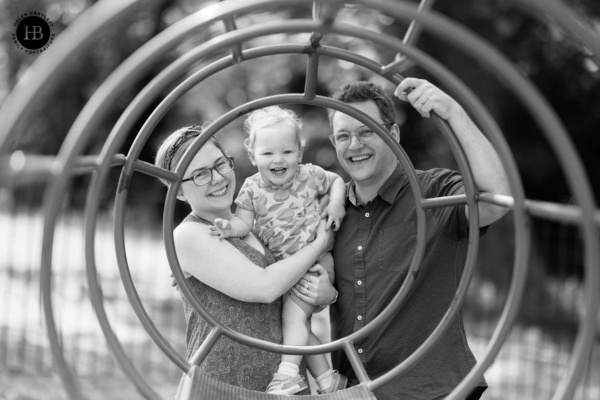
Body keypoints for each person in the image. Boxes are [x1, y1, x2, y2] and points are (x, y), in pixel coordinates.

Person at [291, 78, 511, 400]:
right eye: (343, 136)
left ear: (393, 134)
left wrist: (453, 112)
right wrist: (330, 295)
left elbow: (498, 198)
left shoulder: (433, 193)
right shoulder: (329, 214)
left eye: (366, 131)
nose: (354, 145)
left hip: (433, 391)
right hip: (357, 391)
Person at [154, 125, 334, 393]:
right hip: (223, 385)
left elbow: (290, 297)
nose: (217, 178)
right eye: (200, 174)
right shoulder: (188, 235)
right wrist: (319, 245)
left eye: (220, 164)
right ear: (178, 191)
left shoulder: (260, 221)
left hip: (283, 385)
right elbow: (265, 287)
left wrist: (326, 294)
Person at [210, 106, 348, 395]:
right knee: (295, 325)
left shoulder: (310, 176)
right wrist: (227, 228)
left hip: (316, 263)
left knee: (293, 319)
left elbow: (336, 181)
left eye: (287, 151)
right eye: (268, 153)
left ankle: (287, 375)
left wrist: (336, 203)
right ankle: (327, 381)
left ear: (299, 152)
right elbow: (243, 223)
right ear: (253, 155)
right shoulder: (251, 189)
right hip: (285, 269)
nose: (278, 160)